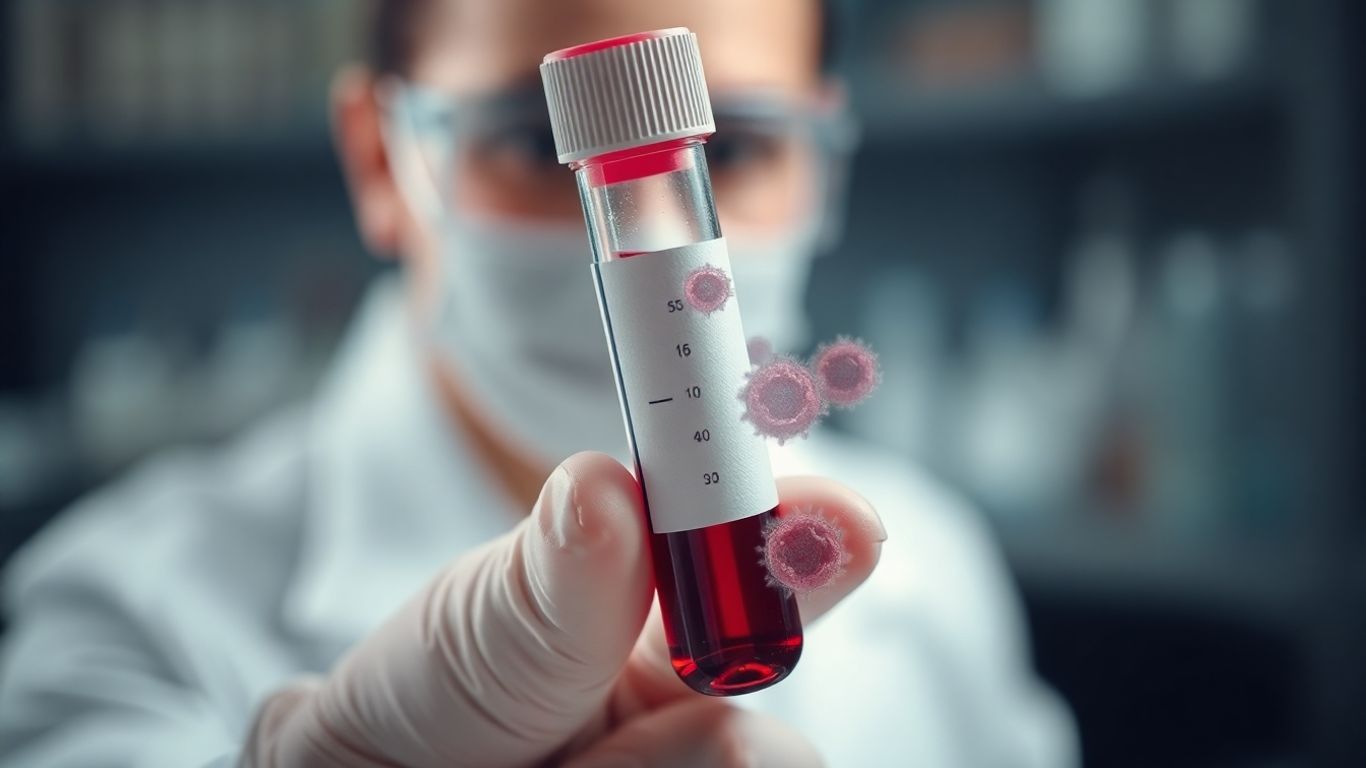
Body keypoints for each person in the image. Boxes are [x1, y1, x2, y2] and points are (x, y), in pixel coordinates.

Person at [0, 0, 1077, 765]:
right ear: (381, 159)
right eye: (528, 140)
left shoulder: (932, 570)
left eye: (742, 146)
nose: (641, 218)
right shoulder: (127, 615)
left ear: (824, 161)